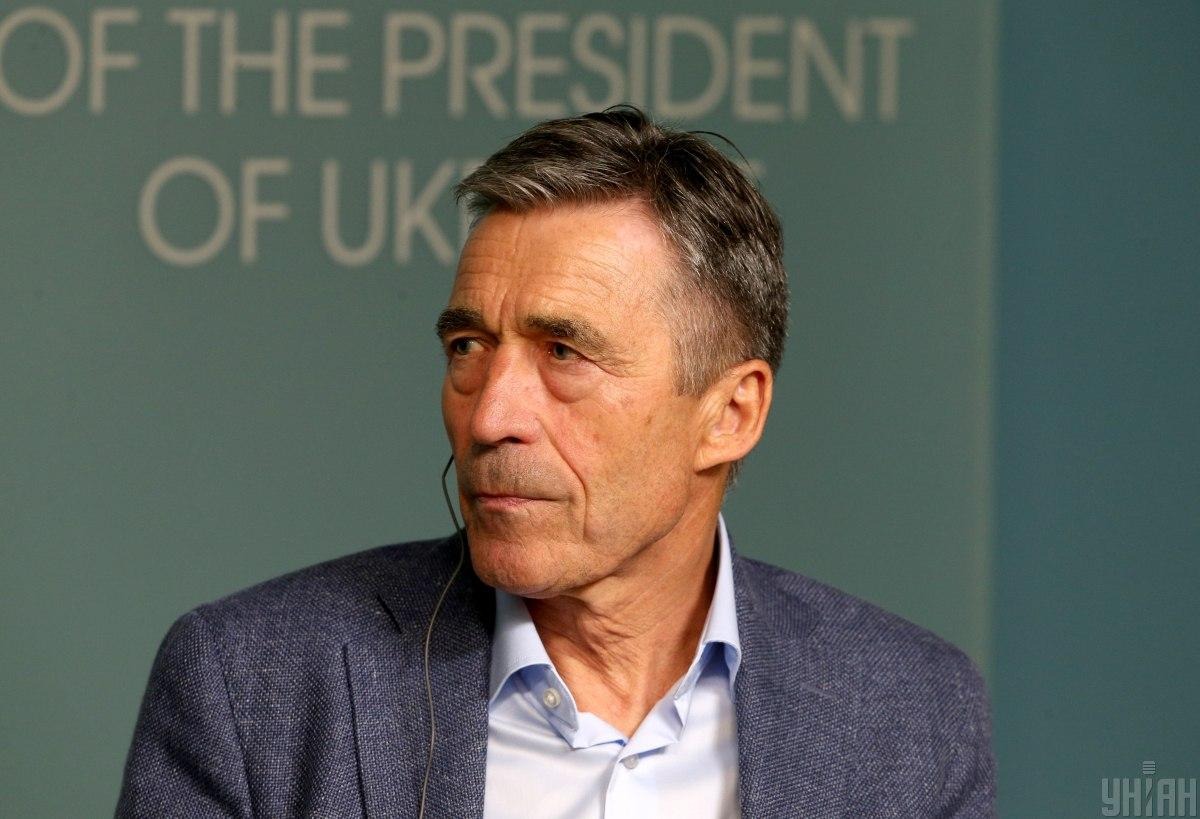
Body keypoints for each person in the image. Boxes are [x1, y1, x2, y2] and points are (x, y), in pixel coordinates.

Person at [117, 107, 995, 818]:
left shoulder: (910, 717)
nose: (489, 416)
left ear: (730, 413)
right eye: (468, 347)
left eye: (564, 354)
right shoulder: (252, 688)